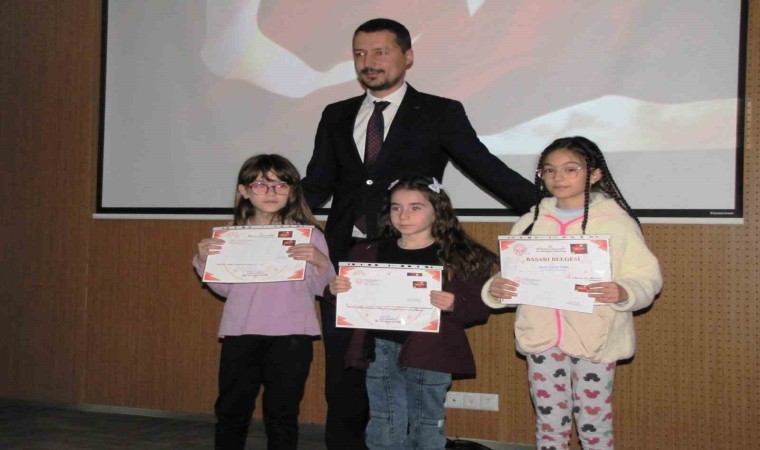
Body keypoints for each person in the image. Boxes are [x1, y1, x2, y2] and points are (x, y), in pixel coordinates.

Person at [301, 18, 534, 449]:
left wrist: (548, 210)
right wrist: (266, 216)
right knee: (345, 373)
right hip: (347, 263)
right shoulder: (335, 114)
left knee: (411, 380)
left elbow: (485, 167)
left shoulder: (440, 111)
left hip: (411, 261)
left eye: (380, 51)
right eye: (360, 53)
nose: (369, 62)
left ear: (407, 56)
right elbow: (316, 183)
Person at [481, 136, 663, 449]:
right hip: (542, 338)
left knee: (594, 426)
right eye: (549, 170)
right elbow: (514, 274)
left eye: (570, 169)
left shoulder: (616, 223)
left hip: (595, 340)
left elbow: (646, 277)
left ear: (594, 174)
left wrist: (624, 291)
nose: (558, 177)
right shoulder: (530, 221)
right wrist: (497, 288)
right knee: (550, 424)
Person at [328, 175, 496, 449]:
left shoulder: (460, 256)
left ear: (437, 210)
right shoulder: (367, 252)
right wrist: (335, 291)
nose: (404, 215)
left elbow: (479, 310)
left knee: (426, 422)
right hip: (378, 348)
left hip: (431, 350)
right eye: (396, 207)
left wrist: (455, 304)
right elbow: (349, 304)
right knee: (383, 419)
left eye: (415, 207)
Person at [193, 154, 335, 450]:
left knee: (283, 412)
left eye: (280, 185)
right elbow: (225, 289)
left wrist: (321, 262)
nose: (271, 192)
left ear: (292, 191)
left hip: (292, 334)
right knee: (232, 408)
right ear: (244, 191)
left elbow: (324, 288)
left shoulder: (308, 236)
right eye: (260, 185)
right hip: (241, 331)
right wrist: (204, 261)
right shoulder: (231, 236)